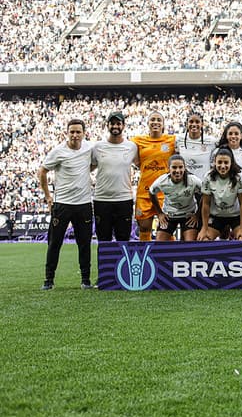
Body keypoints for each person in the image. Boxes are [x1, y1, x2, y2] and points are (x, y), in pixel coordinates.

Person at [38, 118, 94, 290]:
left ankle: (85, 280)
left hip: (84, 204)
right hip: (62, 204)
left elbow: (91, 165)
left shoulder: (89, 148)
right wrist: (48, 196)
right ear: (67, 133)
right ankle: (49, 280)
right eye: (72, 132)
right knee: (55, 243)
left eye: (78, 132)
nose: (75, 135)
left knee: (84, 244)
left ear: (84, 133)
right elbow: (42, 171)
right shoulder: (58, 151)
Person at [91, 111, 139, 242]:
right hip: (102, 200)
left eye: (118, 123)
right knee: (103, 240)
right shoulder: (97, 147)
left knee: (123, 241)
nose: (115, 126)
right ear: (107, 125)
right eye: (112, 123)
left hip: (124, 200)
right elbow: (88, 168)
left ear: (123, 125)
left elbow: (140, 164)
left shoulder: (132, 147)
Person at [132, 111, 178, 241]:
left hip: (165, 193)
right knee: (144, 228)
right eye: (152, 119)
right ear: (148, 123)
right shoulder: (138, 141)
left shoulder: (172, 140)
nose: (155, 122)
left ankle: (170, 253)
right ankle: (146, 253)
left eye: (159, 120)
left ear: (163, 124)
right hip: (144, 192)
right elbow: (136, 161)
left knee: (167, 229)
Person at [197, 148, 242, 241]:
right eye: (219, 162)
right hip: (216, 216)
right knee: (204, 239)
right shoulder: (208, 177)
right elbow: (205, 204)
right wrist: (204, 228)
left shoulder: (240, 177)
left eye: (226, 162)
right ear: (215, 162)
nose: (222, 166)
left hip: (236, 216)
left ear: (231, 163)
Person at [148, 155, 203, 241]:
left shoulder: (193, 180)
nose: (177, 171)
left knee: (190, 243)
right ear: (168, 168)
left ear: (184, 168)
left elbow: (206, 194)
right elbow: (151, 192)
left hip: (188, 215)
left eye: (180, 167)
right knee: (159, 244)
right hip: (169, 215)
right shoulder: (162, 181)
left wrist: (197, 215)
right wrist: (159, 213)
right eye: (174, 167)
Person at [180, 111, 214, 180]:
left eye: (197, 122)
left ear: (202, 124)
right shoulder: (179, 140)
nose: (194, 124)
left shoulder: (211, 141)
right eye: (191, 122)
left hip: (204, 184)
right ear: (186, 124)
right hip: (186, 184)